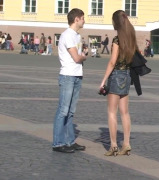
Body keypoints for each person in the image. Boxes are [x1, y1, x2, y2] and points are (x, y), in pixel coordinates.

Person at [99, 10, 137, 156]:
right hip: (127, 75)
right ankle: (126, 143)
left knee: (111, 112)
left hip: (116, 75)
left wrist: (103, 81)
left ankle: (114, 145)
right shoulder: (131, 38)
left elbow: (112, 62)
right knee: (125, 112)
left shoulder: (117, 40)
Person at [52, 8, 87, 153]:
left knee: (71, 111)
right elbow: (77, 57)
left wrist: (82, 55)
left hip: (76, 75)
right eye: (83, 18)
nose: (84, 20)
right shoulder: (67, 35)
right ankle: (58, 143)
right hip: (67, 76)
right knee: (63, 110)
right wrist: (84, 55)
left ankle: (69, 140)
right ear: (76, 19)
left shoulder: (77, 36)